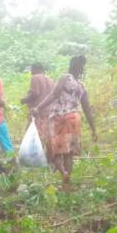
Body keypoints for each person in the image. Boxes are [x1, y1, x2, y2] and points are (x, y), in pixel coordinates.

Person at [33, 55, 97, 188]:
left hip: (58, 117)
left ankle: (63, 172)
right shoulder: (81, 86)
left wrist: (38, 108)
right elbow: (87, 109)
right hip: (74, 118)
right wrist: (93, 129)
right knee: (69, 152)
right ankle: (67, 181)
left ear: (70, 65)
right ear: (81, 69)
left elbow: (54, 94)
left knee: (54, 149)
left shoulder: (64, 78)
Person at [20, 62, 55, 161]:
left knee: (32, 136)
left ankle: (32, 159)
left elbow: (35, 93)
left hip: (38, 112)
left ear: (34, 69)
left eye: (31, 70)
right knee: (48, 137)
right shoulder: (50, 80)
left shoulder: (35, 77)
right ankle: (51, 159)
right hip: (49, 112)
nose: (31, 72)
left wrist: (24, 100)